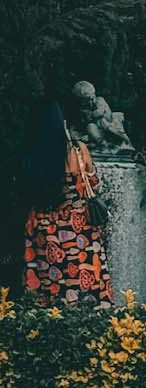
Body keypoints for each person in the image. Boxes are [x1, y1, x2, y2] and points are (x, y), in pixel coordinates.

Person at [20, 97, 114, 308]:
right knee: (85, 283)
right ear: (60, 122)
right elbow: (93, 183)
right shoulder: (78, 152)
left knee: (51, 286)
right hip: (78, 228)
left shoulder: (30, 156)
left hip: (44, 230)